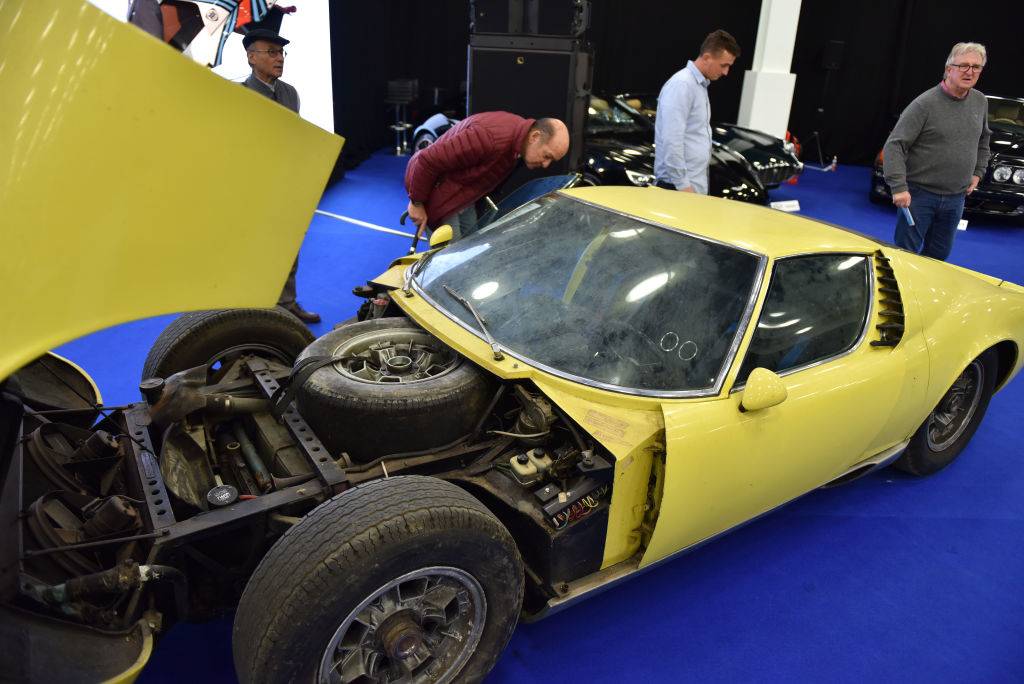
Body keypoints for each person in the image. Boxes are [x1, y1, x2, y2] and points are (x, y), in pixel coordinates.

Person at [883, 42, 991, 262]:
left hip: (956, 198)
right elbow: (894, 145)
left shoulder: (980, 101)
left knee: (938, 257)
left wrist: (978, 172)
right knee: (905, 255)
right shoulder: (924, 104)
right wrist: (899, 187)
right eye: (963, 65)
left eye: (976, 67)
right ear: (948, 69)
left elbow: (984, 139)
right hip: (919, 195)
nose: (970, 72)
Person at [240, 28, 319, 323]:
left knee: (288, 248)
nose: (279, 58)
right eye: (271, 52)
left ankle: (287, 304)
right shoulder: (240, 96)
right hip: (254, 188)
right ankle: (257, 312)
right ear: (251, 57)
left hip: (287, 185)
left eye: (281, 52)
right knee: (256, 251)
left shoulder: (289, 93)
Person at [404, 113, 570, 240]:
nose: (546, 165)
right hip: (437, 192)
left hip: (461, 193)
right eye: (547, 156)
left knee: (469, 249)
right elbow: (427, 160)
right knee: (450, 260)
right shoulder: (489, 138)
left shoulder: (517, 138)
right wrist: (417, 202)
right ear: (535, 137)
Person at [654, 30, 741, 194]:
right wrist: (683, 186)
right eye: (724, 65)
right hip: (677, 189)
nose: (726, 72)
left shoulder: (698, 85)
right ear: (707, 57)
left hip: (689, 186)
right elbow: (672, 140)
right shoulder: (682, 85)